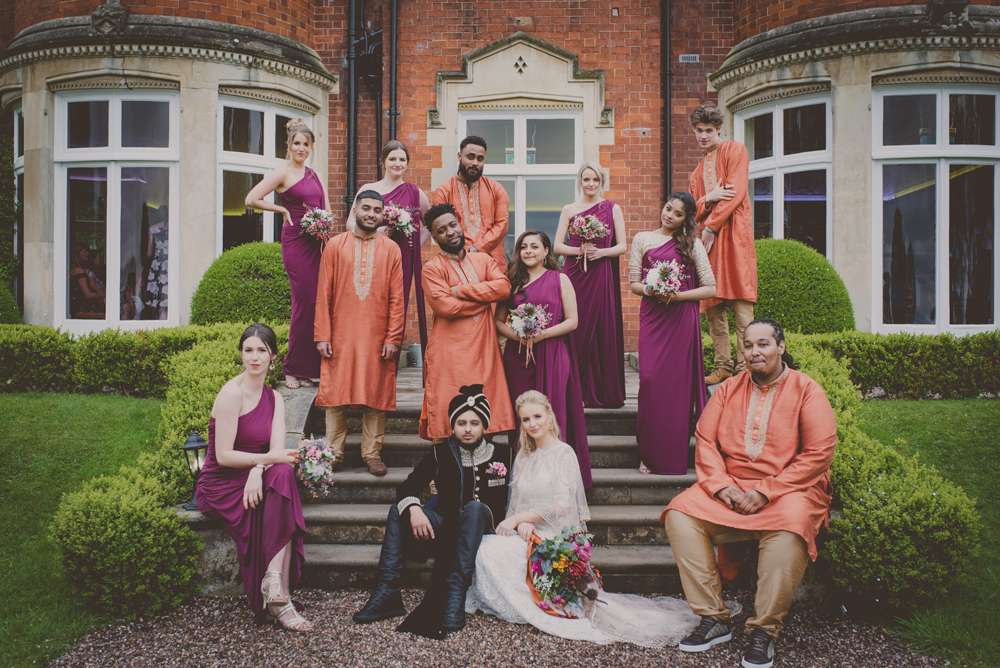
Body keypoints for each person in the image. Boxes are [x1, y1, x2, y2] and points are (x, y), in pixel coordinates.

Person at [465, 390, 703, 647]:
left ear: (549, 416)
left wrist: (525, 518)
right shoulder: (523, 456)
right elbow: (516, 501)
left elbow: (563, 505)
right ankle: (518, 605)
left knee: (494, 552)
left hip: (554, 533)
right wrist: (519, 521)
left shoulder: (563, 453)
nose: (532, 424)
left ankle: (537, 607)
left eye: (537, 416)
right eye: (526, 419)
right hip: (526, 531)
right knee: (486, 547)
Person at [664, 319, 837, 668]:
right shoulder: (728, 389)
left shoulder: (806, 389)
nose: (755, 352)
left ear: (781, 347)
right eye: (748, 345)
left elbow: (819, 452)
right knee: (680, 513)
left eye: (763, 344)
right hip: (731, 487)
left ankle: (764, 630)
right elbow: (706, 439)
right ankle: (714, 617)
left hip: (788, 490)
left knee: (791, 528)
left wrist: (766, 491)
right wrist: (722, 486)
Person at [354, 385, 512, 637]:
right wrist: (415, 509)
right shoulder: (441, 453)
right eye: (461, 423)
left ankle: (455, 592)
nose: (468, 429)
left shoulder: (504, 454)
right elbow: (408, 486)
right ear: (453, 426)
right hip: (448, 527)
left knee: (474, 508)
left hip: (485, 528)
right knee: (399, 510)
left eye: (474, 423)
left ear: (485, 426)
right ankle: (387, 589)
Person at [195, 323, 311, 631]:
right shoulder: (231, 394)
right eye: (248, 350)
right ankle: (280, 600)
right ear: (241, 354)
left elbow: (275, 453)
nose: (254, 357)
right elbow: (223, 456)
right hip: (222, 480)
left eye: (262, 350)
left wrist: (258, 470)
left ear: (273, 357)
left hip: (252, 472)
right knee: (281, 480)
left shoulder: (275, 398)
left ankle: (273, 583)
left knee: (283, 473)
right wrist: (260, 465)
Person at [314, 190, 404, 477]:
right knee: (336, 394)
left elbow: (397, 298)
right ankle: (334, 453)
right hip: (340, 335)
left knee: (376, 394)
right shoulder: (334, 246)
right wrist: (322, 335)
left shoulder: (391, 249)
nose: (371, 214)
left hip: (377, 336)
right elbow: (323, 293)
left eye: (377, 210)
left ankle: (372, 454)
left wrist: (393, 337)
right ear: (355, 210)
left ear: (383, 215)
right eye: (366, 208)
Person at [629, 193, 716, 475]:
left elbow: (710, 287)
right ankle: (649, 452)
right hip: (653, 317)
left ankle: (672, 454)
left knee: (677, 388)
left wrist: (676, 296)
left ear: (685, 219)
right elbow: (633, 283)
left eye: (678, 214)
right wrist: (652, 289)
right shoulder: (642, 238)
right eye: (668, 209)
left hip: (681, 320)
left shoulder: (693, 244)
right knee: (650, 380)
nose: (669, 215)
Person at [496, 230, 591, 488]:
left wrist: (541, 335)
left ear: (546, 250)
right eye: (523, 247)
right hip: (518, 358)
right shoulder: (512, 282)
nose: (528, 251)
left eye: (534, 246)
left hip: (553, 353)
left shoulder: (560, 279)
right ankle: (525, 481)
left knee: (552, 412)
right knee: (523, 415)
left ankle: (556, 481)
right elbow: (498, 321)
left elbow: (573, 321)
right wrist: (519, 336)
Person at [419, 203, 515, 442]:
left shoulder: (483, 259)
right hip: (449, 352)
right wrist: (484, 300)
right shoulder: (432, 268)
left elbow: (504, 288)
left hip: (483, 349)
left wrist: (461, 290)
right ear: (434, 238)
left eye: (452, 225)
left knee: (485, 408)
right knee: (448, 410)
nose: (450, 232)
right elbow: (445, 307)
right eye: (441, 230)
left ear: (460, 224)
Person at [245, 118, 328, 389]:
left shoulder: (315, 175)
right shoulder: (282, 173)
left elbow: (325, 209)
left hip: (317, 243)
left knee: (317, 304)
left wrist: (325, 230)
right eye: (297, 143)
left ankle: (311, 369)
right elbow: (251, 199)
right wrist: (281, 210)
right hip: (296, 243)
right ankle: (292, 369)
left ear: (311, 147)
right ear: (289, 146)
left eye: (306, 144)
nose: (301, 148)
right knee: (303, 304)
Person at [687, 104, 757, 386]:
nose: (703, 136)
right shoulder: (695, 173)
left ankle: (745, 368)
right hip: (710, 244)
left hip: (735, 237)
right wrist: (709, 197)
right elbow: (692, 211)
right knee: (713, 306)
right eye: (699, 131)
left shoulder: (734, 150)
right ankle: (723, 366)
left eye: (709, 130)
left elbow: (735, 193)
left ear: (719, 130)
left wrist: (711, 226)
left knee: (742, 306)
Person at [553, 162, 627, 408]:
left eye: (595, 180)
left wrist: (601, 252)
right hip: (575, 274)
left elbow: (622, 246)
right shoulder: (569, 209)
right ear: (580, 182)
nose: (591, 184)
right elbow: (557, 246)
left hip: (600, 273)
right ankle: (575, 390)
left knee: (600, 327)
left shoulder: (612, 208)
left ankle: (601, 391)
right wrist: (580, 250)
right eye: (586, 179)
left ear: (601, 182)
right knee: (576, 328)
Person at [346, 140, 430, 350]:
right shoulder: (368, 189)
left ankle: (391, 353)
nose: (397, 163)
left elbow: (430, 223)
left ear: (407, 163)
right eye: (392, 158)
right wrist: (375, 233)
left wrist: (415, 244)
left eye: (402, 159)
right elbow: (349, 224)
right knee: (371, 301)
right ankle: (366, 349)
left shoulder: (415, 192)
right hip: (372, 255)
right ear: (383, 161)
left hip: (403, 258)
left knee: (396, 305)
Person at [431, 136, 510, 269]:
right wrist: (464, 252)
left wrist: (477, 248)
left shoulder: (496, 189)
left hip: (493, 263)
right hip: (457, 262)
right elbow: (441, 229)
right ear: (459, 156)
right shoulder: (443, 192)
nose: (475, 163)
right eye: (470, 157)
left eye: (480, 159)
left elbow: (502, 224)